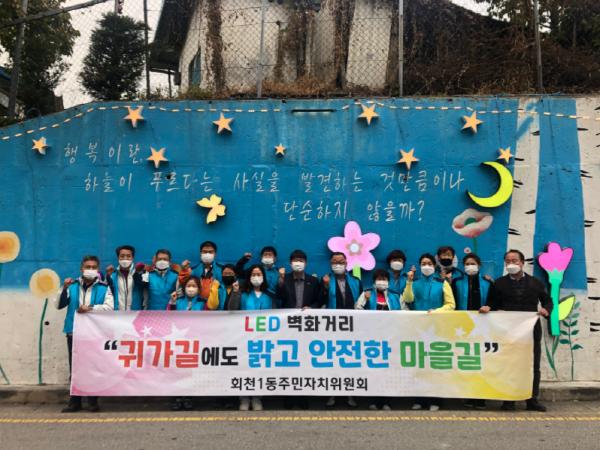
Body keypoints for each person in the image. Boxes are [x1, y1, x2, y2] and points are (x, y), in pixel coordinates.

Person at [479, 249, 551, 412]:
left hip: (531, 330)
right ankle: (508, 400)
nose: (511, 264)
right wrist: (488, 307)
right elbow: (492, 302)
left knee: (532, 364)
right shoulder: (499, 283)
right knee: (508, 364)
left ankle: (532, 399)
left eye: (515, 260)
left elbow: (548, 301)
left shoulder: (535, 283)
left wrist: (546, 310)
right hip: (507, 331)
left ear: (522, 263)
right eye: (508, 261)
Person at [55, 255, 114, 413]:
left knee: (93, 367)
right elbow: (58, 305)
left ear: (98, 269)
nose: (90, 269)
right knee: (75, 369)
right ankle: (74, 402)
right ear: (81, 269)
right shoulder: (72, 286)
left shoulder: (104, 287)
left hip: (94, 333)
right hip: (74, 332)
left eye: (94, 267)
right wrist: (64, 288)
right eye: (88, 267)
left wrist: (91, 308)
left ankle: (92, 402)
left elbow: (109, 307)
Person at [403, 253, 456, 411]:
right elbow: (408, 299)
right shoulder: (414, 282)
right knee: (419, 365)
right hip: (417, 328)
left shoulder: (442, 283)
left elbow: (451, 304)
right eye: (423, 264)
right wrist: (409, 282)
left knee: (435, 365)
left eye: (429, 264)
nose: (426, 266)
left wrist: (437, 311)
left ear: (434, 266)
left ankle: (436, 400)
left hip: (437, 327)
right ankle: (419, 399)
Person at [355, 269, 407, 411]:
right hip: (372, 339)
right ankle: (373, 400)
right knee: (373, 370)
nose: (381, 281)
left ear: (388, 282)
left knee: (389, 370)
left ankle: (387, 402)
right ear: (373, 281)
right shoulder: (366, 294)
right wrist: (366, 300)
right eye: (379, 279)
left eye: (384, 279)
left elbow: (406, 313)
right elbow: (357, 311)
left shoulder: (396, 296)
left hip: (391, 338)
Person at [276, 249, 321, 409]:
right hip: (288, 326)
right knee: (289, 361)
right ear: (290, 263)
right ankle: (288, 397)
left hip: (307, 326)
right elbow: (279, 298)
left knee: (305, 361)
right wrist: (281, 280)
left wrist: (312, 308)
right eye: (295, 260)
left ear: (306, 263)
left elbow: (319, 300)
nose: (298, 263)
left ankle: (303, 397)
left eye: (301, 260)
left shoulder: (313, 281)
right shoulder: (285, 279)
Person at [166, 276, 219, 411]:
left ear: (198, 289)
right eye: (188, 286)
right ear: (184, 288)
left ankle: (189, 397)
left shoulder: (203, 303)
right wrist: (172, 302)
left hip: (195, 341)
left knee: (190, 370)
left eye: (194, 286)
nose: (191, 289)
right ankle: (177, 397)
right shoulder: (178, 301)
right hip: (178, 341)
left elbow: (208, 319)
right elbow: (168, 316)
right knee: (176, 370)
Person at [320, 252, 363, 408]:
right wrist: (325, 287)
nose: (338, 264)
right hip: (332, 326)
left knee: (350, 360)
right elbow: (320, 301)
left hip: (352, 326)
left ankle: (350, 393)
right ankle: (332, 393)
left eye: (341, 261)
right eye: (334, 262)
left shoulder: (356, 281)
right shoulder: (325, 280)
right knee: (332, 360)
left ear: (346, 263)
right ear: (330, 264)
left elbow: (361, 302)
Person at [451, 253, 493, 409]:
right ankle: (468, 395)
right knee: (467, 361)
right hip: (463, 326)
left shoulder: (487, 282)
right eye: (467, 264)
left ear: (479, 265)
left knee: (482, 361)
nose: (470, 266)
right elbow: (453, 303)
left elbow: (493, 301)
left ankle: (481, 397)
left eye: (473, 263)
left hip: (482, 326)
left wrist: (488, 306)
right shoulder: (456, 282)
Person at [237, 265, 275, 411]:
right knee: (244, 367)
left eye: (259, 274)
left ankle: (257, 397)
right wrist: (235, 293)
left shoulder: (270, 295)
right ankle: (244, 398)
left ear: (263, 277)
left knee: (260, 368)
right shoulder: (243, 295)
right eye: (253, 274)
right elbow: (234, 310)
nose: (256, 277)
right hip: (244, 336)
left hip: (264, 336)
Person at [105, 245, 144, 311]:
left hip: (135, 314)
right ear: (118, 257)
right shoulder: (112, 275)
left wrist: (137, 273)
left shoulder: (139, 274)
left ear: (132, 258)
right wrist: (108, 277)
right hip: (117, 314)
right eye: (122, 256)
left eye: (128, 256)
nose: (125, 258)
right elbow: (108, 294)